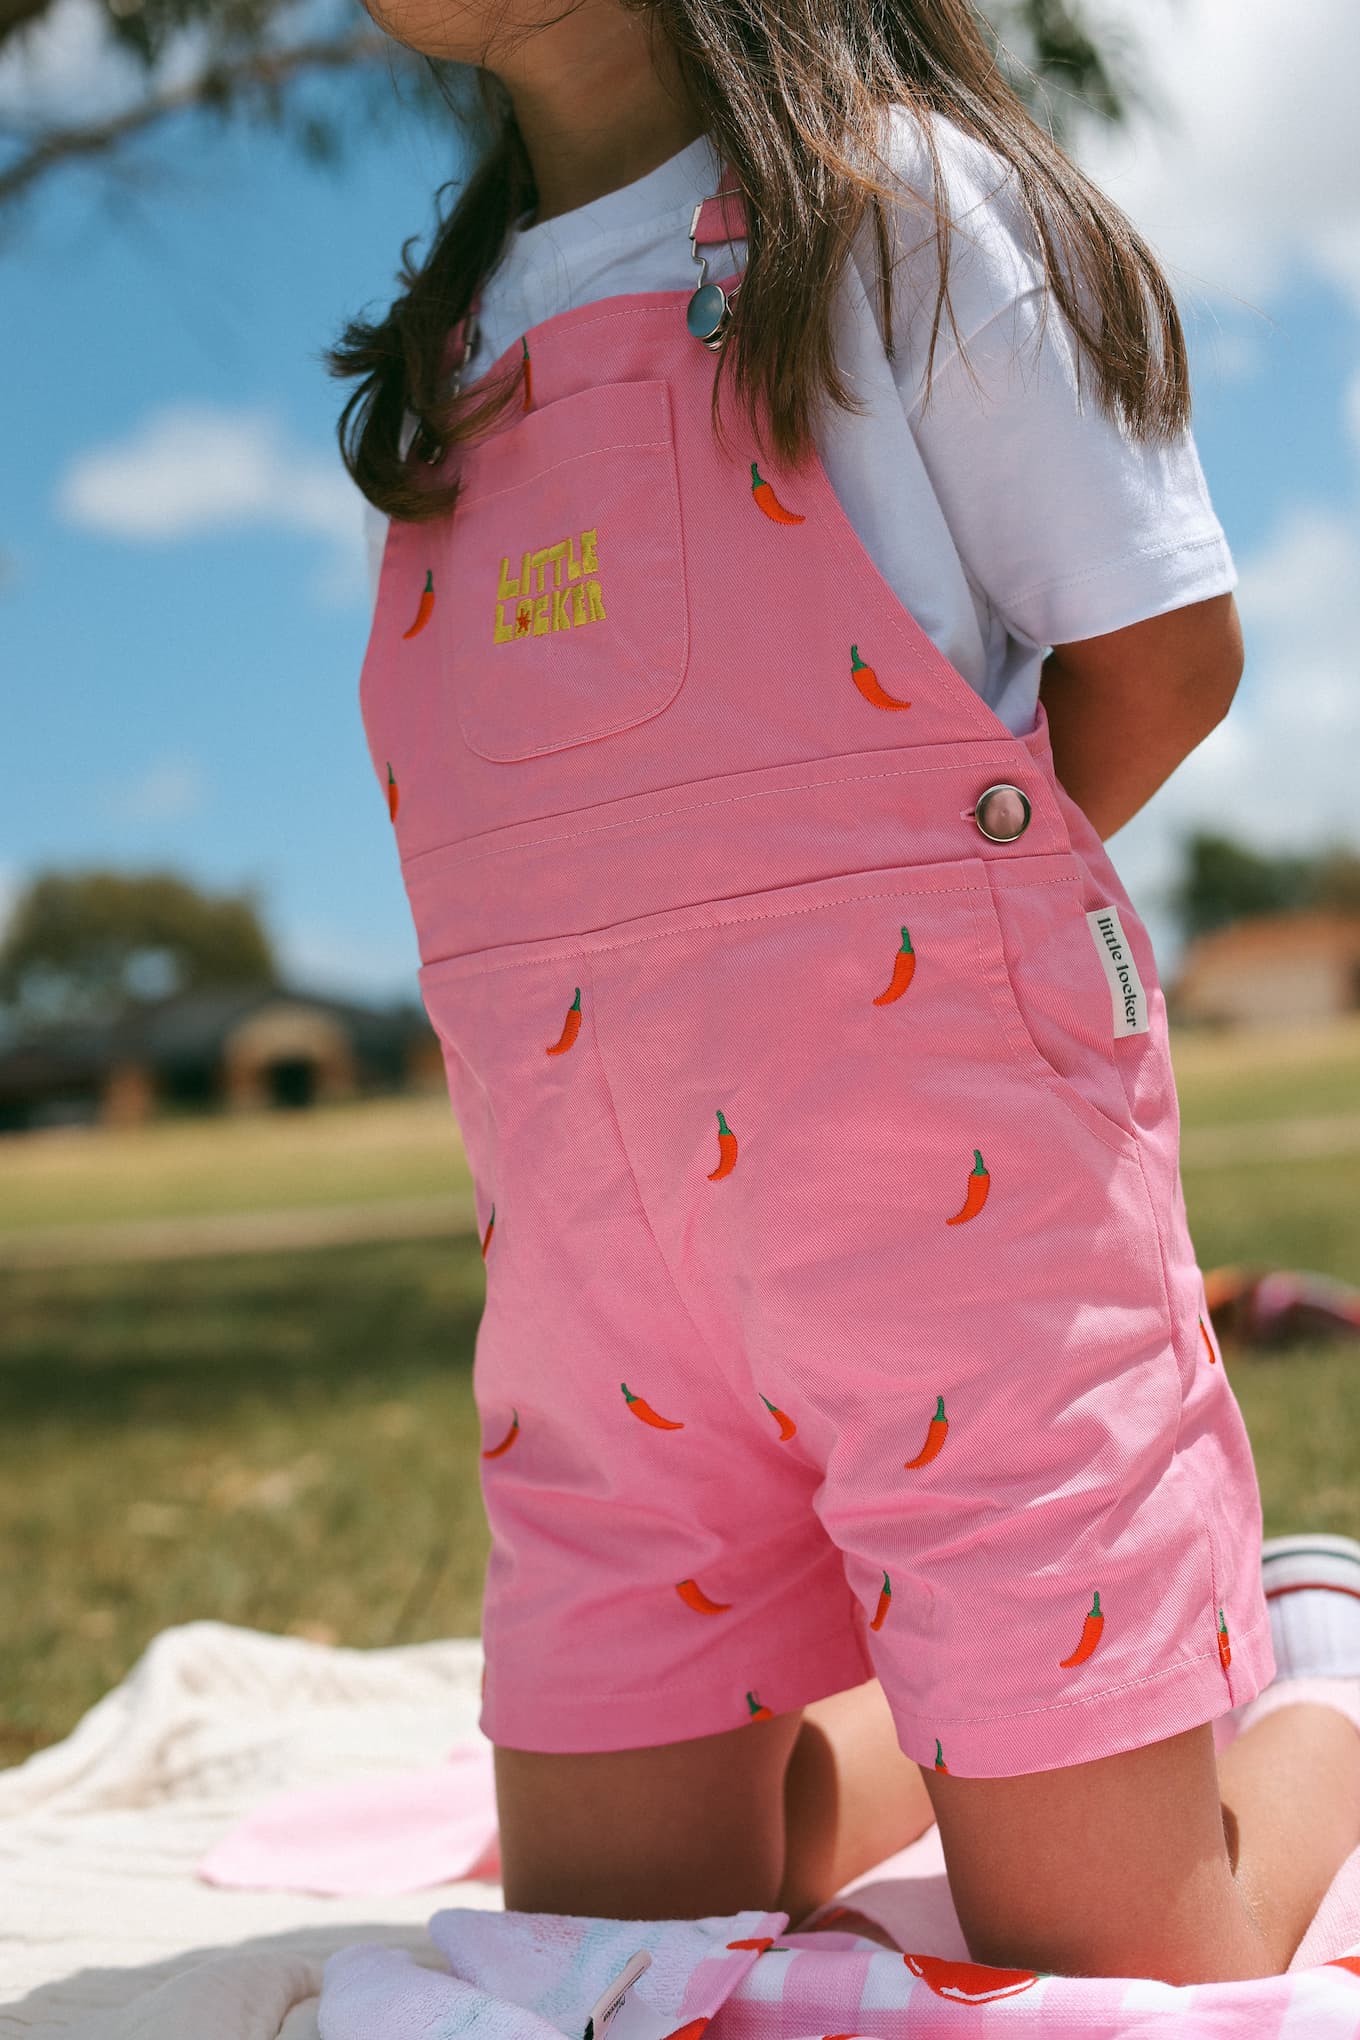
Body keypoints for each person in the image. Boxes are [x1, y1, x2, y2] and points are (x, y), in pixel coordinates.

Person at [326, 0, 1360, 1983]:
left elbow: (1160, 651)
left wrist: (913, 939)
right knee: (610, 1964)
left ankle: (1315, 1661)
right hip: (596, 1318)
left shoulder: (909, 218)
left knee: (1123, 1967)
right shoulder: (444, 357)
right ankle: (945, 1719)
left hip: (956, 1239)